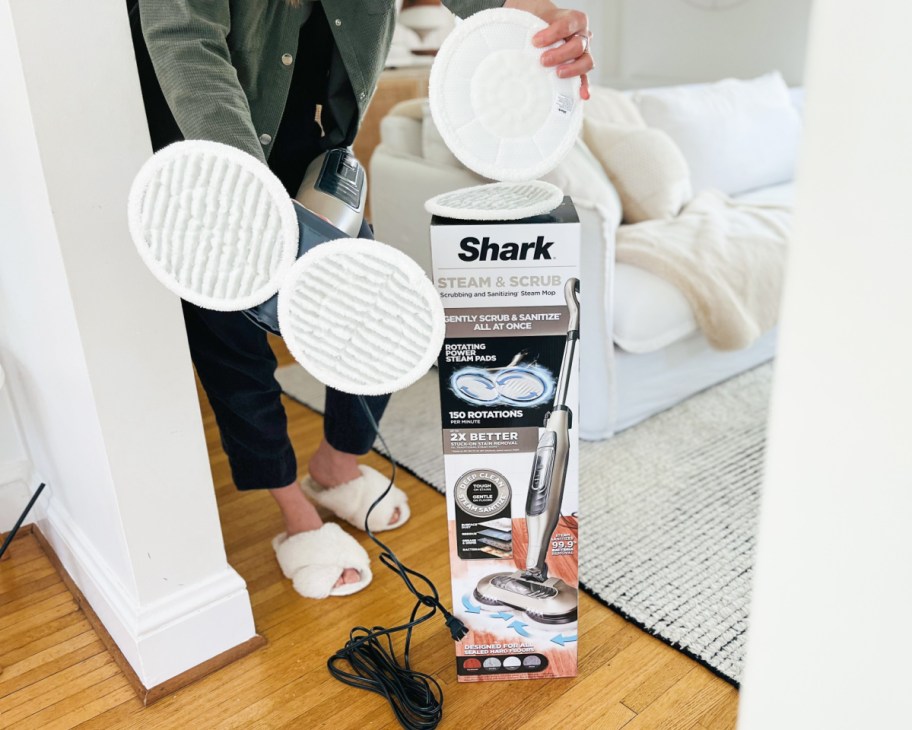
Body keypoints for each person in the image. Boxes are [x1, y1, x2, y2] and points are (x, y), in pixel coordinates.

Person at [130, 0, 594, 597]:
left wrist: (526, 19)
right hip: (214, 150)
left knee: (385, 317)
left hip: (314, 140)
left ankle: (336, 463)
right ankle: (295, 514)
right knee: (233, 348)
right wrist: (247, 198)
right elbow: (182, 32)